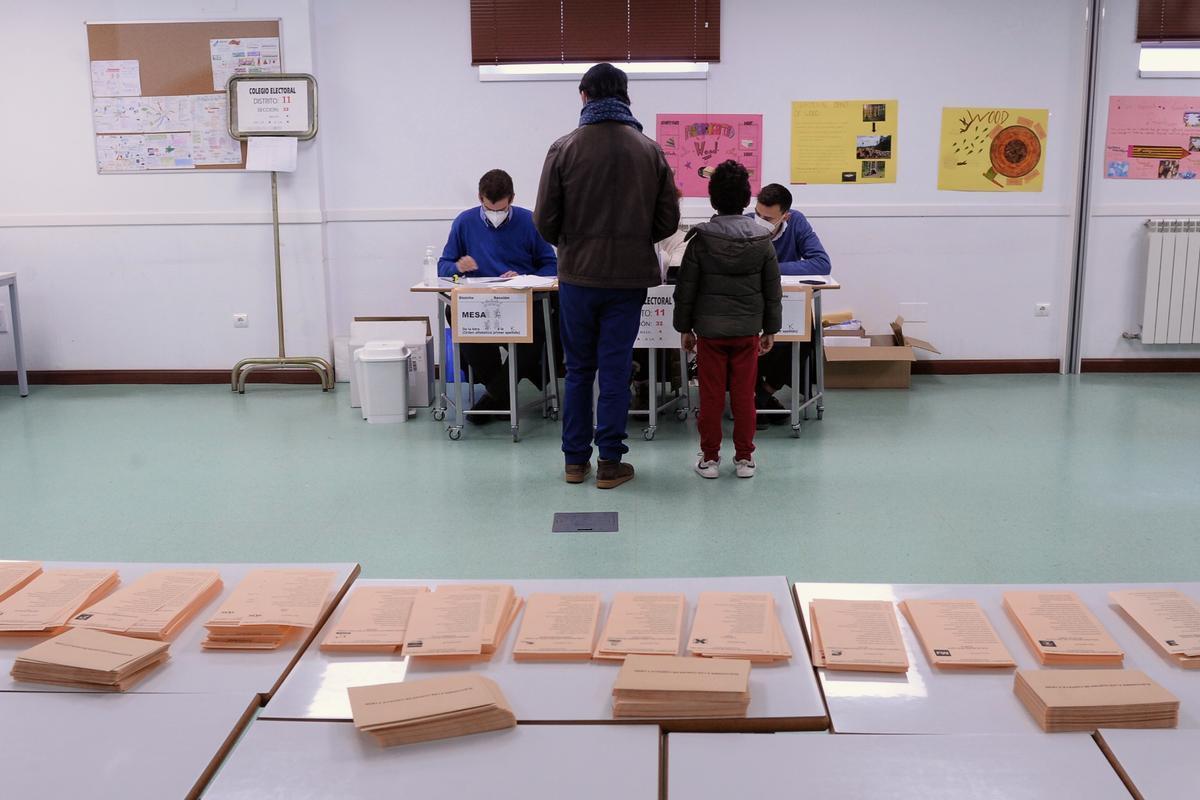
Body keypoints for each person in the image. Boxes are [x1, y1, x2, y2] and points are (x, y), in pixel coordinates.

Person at [535, 63, 680, 489]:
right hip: (628, 279)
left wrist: (574, 242)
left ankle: (574, 463)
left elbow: (544, 221)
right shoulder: (650, 150)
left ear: (584, 96)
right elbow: (667, 220)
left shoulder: (563, 148)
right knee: (616, 370)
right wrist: (635, 238)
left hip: (578, 276)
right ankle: (611, 464)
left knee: (578, 370)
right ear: (626, 96)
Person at [674, 161, 782, 479]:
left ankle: (709, 460)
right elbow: (772, 290)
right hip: (748, 332)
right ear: (747, 199)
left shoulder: (700, 239)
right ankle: (745, 459)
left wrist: (684, 328)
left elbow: (686, 289)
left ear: (713, 200)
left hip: (709, 333)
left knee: (709, 396)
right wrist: (771, 329)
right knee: (744, 395)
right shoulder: (763, 241)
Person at [438, 169, 557, 422]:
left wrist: (524, 277)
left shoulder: (529, 221)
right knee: (455, 312)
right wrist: (458, 267)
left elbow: (551, 265)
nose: (495, 214)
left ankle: (496, 396)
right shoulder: (464, 222)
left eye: (500, 209)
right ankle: (501, 394)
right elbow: (443, 266)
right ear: (480, 197)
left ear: (511, 199)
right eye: (489, 208)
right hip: (479, 301)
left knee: (536, 331)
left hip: (521, 300)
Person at [747, 183, 832, 426]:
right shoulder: (744, 222)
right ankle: (754, 397)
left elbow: (821, 263)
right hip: (751, 304)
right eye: (758, 214)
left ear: (785, 216)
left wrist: (770, 269)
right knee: (742, 338)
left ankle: (763, 394)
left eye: (769, 218)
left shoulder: (797, 223)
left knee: (806, 334)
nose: (761, 221)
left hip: (787, 303)